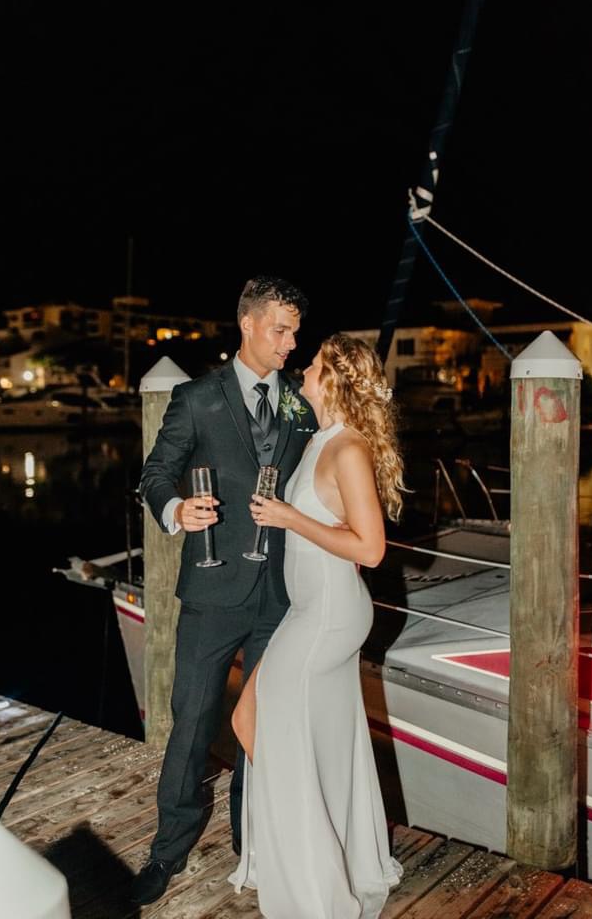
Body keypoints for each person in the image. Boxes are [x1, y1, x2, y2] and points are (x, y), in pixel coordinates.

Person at [131, 276, 317, 906]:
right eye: (281, 330)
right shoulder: (197, 398)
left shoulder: (299, 403)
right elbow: (154, 473)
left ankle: (251, 840)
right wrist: (177, 508)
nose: (291, 343)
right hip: (212, 589)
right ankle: (167, 849)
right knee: (192, 724)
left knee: (263, 724)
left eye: (294, 331)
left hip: (282, 593)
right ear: (248, 324)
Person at [229, 332, 405, 919]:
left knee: (253, 718)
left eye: (314, 363)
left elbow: (373, 550)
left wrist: (287, 517)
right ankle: (331, 852)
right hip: (311, 609)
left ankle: (311, 870)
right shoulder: (323, 439)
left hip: (328, 617)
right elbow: (345, 535)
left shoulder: (348, 449)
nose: (303, 367)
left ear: (332, 379)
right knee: (302, 734)